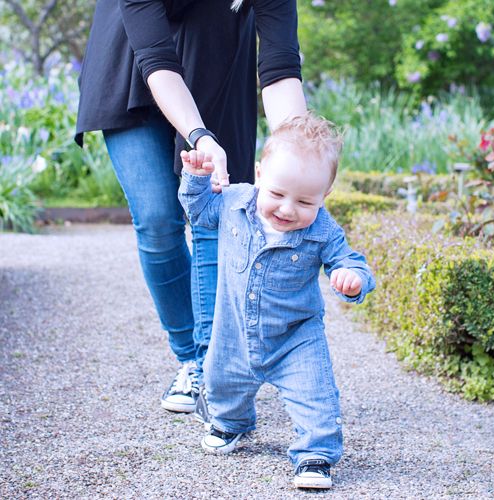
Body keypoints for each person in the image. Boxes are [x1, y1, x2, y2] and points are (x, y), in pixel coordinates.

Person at [75, 0, 307, 417]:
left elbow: (280, 66)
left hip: (217, 66)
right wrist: (198, 136)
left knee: (214, 219)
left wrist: (300, 158)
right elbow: (156, 58)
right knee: (157, 220)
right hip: (133, 58)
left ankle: (208, 364)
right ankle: (188, 356)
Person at [178, 113, 376, 490]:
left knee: (316, 398)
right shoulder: (236, 201)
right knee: (223, 386)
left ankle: (315, 453)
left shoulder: (322, 230)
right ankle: (230, 422)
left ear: (324, 196)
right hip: (234, 330)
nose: (287, 209)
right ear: (258, 174)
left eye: (304, 200)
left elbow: (351, 261)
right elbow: (200, 213)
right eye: (277, 194)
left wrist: (352, 281)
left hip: (295, 338)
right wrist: (196, 178)